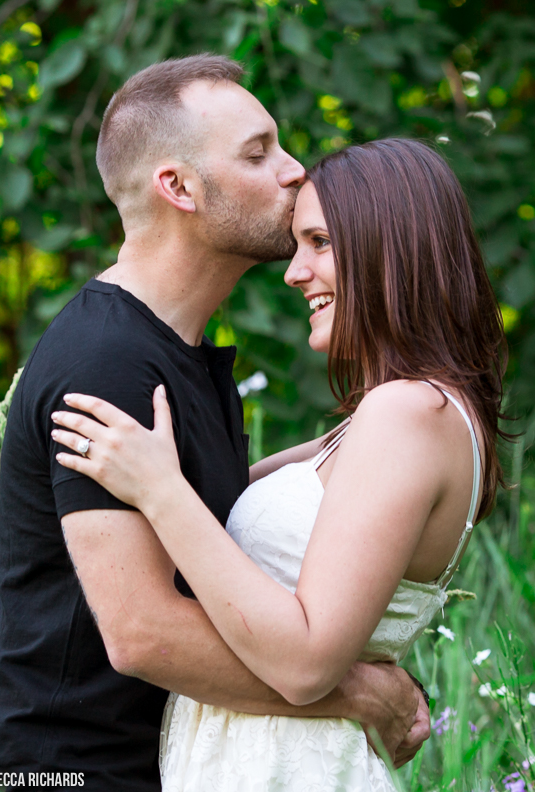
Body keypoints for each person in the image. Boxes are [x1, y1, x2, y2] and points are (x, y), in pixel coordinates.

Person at [0, 58, 427, 791]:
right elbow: (143, 632)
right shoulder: (106, 362)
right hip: (54, 767)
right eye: (257, 153)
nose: (293, 170)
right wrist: (353, 693)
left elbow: (202, 532)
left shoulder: (172, 351)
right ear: (177, 187)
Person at [51, 138, 508, 791]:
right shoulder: (390, 420)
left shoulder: (410, 415)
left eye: (320, 242)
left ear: (392, 245)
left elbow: (304, 662)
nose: (295, 272)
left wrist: (158, 491)